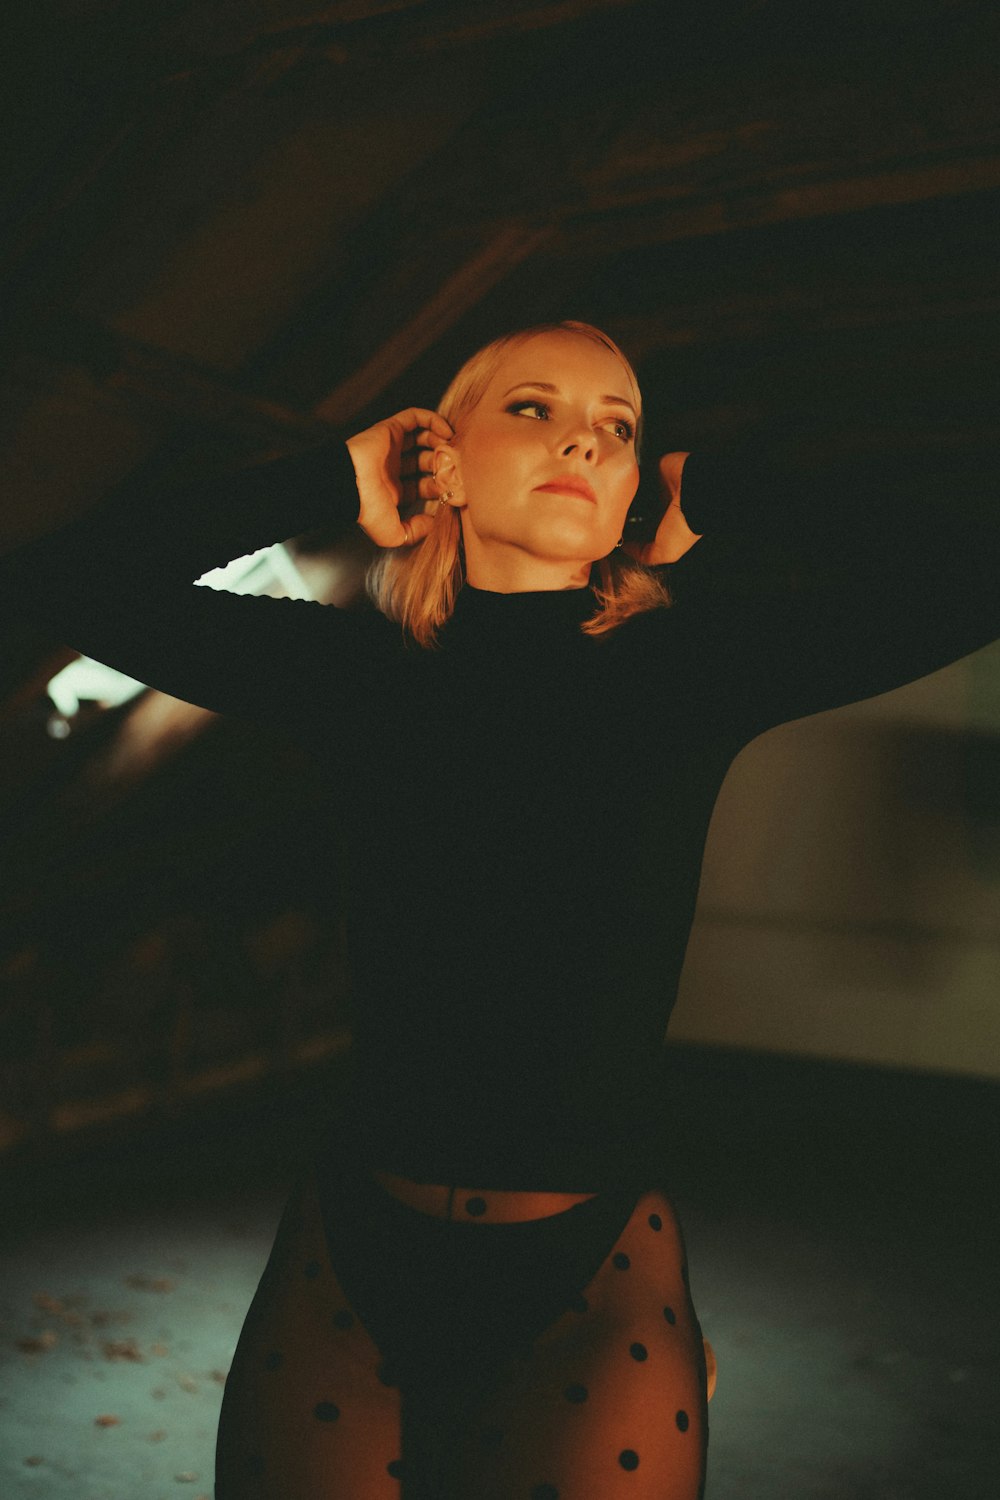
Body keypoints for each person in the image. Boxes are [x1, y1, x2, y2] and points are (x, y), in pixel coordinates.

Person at [2, 320, 997, 1499]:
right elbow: (59, 581)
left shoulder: (690, 669)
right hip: (349, 1252)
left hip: (592, 1270)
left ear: (631, 488)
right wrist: (328, 478)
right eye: (534, 406)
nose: (585, 434)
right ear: (446, 463)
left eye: (618, 427)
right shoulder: (350, 672)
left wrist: (716, 486)